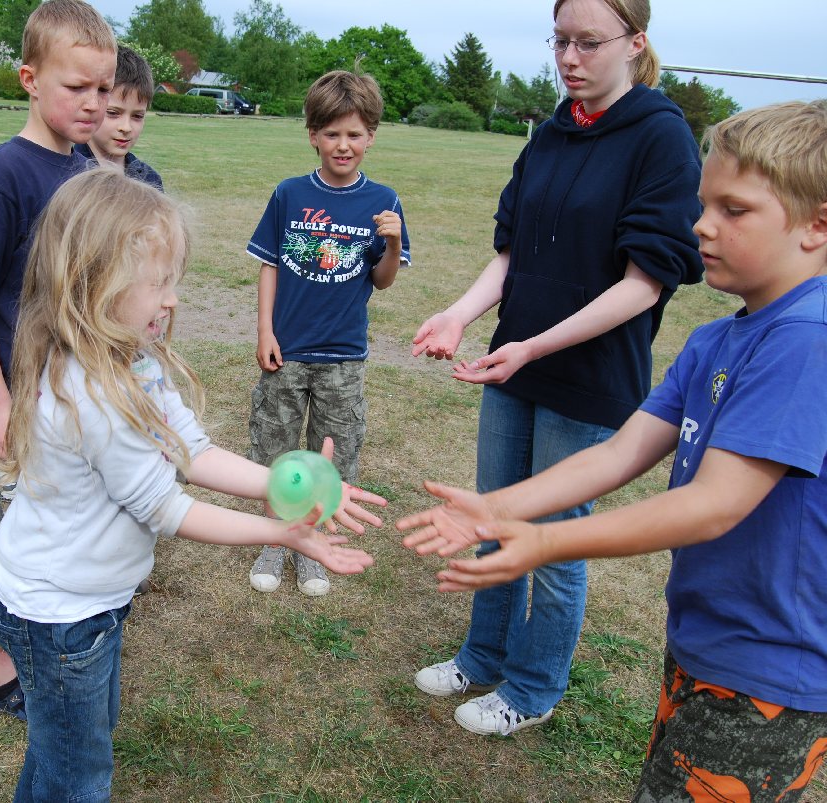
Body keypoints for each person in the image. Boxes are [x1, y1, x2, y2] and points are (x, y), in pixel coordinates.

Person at [400, 99, 827, 802]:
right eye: (703, 204)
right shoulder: (717, 339)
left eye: (734, 210)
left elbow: (714, 505)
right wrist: (497, 508)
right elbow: (620, 453)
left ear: (817, 226)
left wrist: (543, 541)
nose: (701, 225)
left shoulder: (805, 341)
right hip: (707, 640)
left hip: (770, 667)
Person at [0, 167, 386, 801]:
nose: (172, 300)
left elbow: (192, 451)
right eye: (158, 283)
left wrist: (288, 482)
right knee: (78, 774)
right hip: (56, 615)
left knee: (65, 749)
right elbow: (167, 507)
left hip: (84, 604)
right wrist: (281, 533)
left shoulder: (132, 360)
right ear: (93, 283)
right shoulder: (92, 395)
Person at [408, 0, 704, 735]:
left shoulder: (662, 138)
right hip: (514, 364)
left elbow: (644, 284)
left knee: (553, 539)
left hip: (589, 377)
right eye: (561, 41)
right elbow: (510, 253)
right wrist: (459, 313)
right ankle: (482, 655)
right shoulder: (549, 132)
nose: (570, 58)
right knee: (492, 513)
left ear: (635, 42)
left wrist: (535, 346)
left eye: (589, 42)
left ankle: (533, 688)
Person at [0, 0, 117, 721]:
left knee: (54, 537)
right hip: (16, 408)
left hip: (70, 404)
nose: (94, 103)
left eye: (103, 88)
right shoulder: (4, 173)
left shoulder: (86, 168)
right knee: (10, 539)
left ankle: (42, 652)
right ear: (29, 78)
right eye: (77, 87)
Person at [245, 69, 410, 596]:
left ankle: (313, 543)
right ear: (313, 135)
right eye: (332, 133)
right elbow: (270, 265)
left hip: (343, 356)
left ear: (371, 137)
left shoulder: (384, 201)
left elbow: (382, 281)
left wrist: (392, 243)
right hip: (287, 351)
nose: (343, 145)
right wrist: (265, 331)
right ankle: (276, 539)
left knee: (330, 453)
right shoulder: (290, 194)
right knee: (276, 449)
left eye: (355, 134)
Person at [75, 45, 164, 190]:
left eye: (137, 116)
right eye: (113, 113)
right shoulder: (68, 176)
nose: (126, 127)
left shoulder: (150, 180)